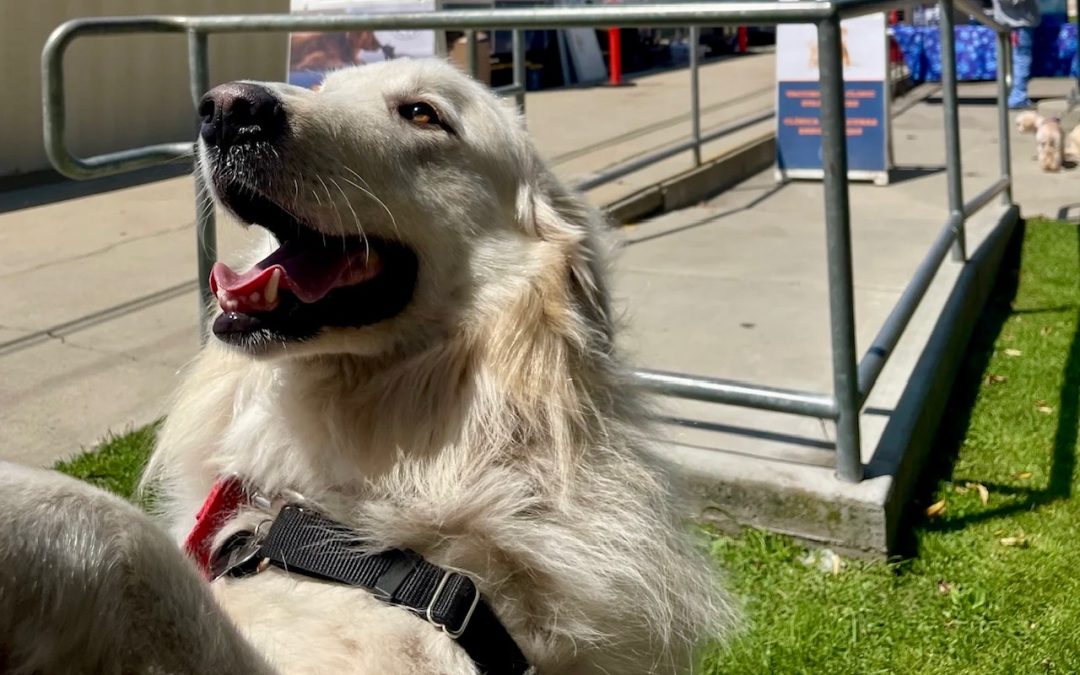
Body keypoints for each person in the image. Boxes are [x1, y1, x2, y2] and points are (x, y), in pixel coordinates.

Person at [991, 0, 1041, 108]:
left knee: (1010, 59)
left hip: (1006, 21)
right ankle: (1018, 97)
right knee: (1021, 59)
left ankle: (1014, 95)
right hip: (1019, 21)